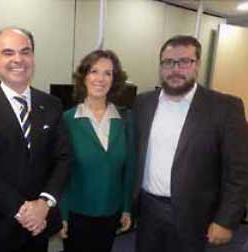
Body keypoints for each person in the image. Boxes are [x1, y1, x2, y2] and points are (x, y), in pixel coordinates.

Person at [133, 35, 248, 252]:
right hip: (148, 211)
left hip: (197, 216)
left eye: (184, 61)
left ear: (197, 65)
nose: (175, 69)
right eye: (168, 62)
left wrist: (226, 220)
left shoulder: (225, 107)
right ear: (160, 66)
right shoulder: (143, 103)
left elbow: (239, 172)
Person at [0, 27, 70, 252]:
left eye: (25, 51)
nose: (18, 59)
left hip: (39, 226)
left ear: (33, 58)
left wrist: (44, 204)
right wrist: (24, 211)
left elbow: (63, 158)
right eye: (8, 52)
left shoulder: (52, 104)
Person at [58, 49, 135, 252]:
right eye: (94, 71)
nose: (100, 78)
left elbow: (129, 169)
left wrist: (127, 208)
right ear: (84, 77)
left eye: (108, 73)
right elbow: (60, 173)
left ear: (114, 79)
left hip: (111, 214)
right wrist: (62, 214)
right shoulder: (66, 120)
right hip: (77, 215)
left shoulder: (126, 120)